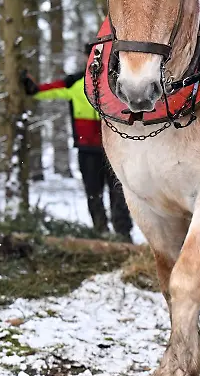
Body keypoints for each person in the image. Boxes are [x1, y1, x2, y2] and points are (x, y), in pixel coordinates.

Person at [20, 46, 133, 242]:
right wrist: (30, 86)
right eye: (91, 56)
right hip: (87, 149)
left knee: (119, 193)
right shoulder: (74, 82)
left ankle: (123, 234)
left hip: (116, 150)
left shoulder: (119, 81)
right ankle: (101, 231)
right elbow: (42, 92)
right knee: (93, 193)